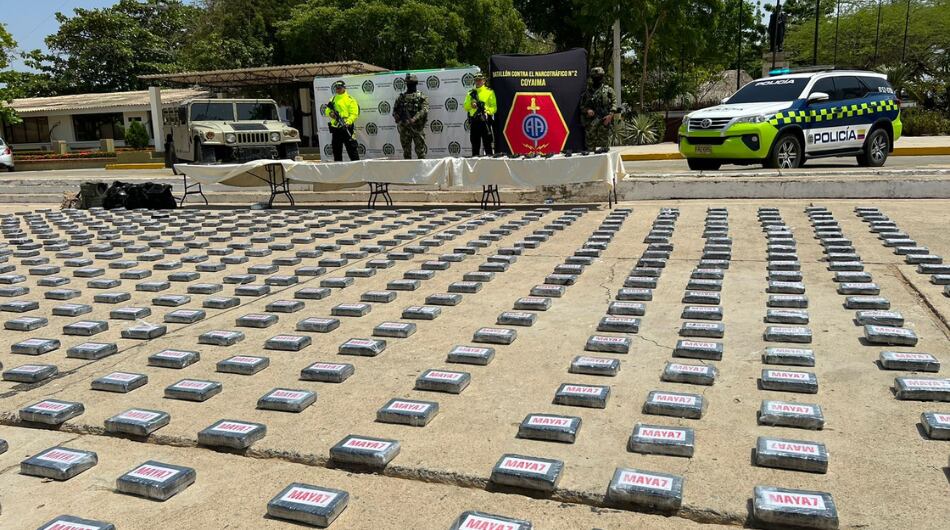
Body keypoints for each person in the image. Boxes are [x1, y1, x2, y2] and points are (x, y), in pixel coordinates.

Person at [392, 74, 429, 159]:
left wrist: (414, 119)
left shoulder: (421, 97)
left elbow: (424, 109)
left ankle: (423, 171)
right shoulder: (401, 97)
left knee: (421, 152)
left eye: (411, 83)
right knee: (406, 153)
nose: (409, 85)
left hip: (417, 129)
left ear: (416, 84)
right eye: (408, 83)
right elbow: (394, 110)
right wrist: (396, 116)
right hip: (405, 129)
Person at [580, 67, 617, 150]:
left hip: (604, 121)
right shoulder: (587, 92)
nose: (597, 79)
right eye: (595, 77)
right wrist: (587, 110)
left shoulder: (608, 90)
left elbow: (614, 103)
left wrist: (610, 115)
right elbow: (581, 106)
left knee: (604, 149)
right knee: (590, 149)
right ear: (592, 78)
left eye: (599, 77)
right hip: (591, 123)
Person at [325, 80, 360, 161]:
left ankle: (357, 168)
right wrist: (330, 114)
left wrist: (348, 122)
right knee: (336, 151)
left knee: (352, 150)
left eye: (339, 88)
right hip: (336, 128)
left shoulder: (350, 99)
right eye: (336, 88)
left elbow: (354, 114)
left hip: (346, 127)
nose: (338, 90)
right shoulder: (333, 99)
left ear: (344, 88)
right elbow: (327, 110)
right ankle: (338, 169)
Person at [464, 73, 497, 156]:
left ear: (484, 81)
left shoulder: (489, 92)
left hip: (485, 120)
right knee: (475, 145)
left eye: (480, 80)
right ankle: (474, 167)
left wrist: (487, 111)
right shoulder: (470, 93)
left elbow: (494, 107)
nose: (478, 82)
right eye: (476, 80)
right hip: (474, 120)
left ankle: (489, 164)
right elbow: (465, 106)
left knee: (487, 144)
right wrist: (471, 105)